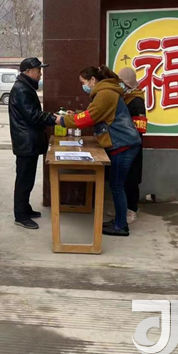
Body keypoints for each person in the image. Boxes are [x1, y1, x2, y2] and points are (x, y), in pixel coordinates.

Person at [56, 65, 141, 236]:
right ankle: (119, 221)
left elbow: (90, 117)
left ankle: (121, 226)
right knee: (117, 185)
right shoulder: (104, 92)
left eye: (83, 82)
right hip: (120, 144)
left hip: (122, 145)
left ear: (93, 80)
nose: (83, 86)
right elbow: (93, 112)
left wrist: (64, 121)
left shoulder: (106, 93)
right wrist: (75, 115)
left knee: (117, 186)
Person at [9, 57, 57, 229]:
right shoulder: (21, 89)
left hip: (29, 140)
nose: (40, 74)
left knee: (28, 178)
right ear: (27, 71)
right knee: (23, 179)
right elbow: (33, 115)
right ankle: (20, 215)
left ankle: (25, 208)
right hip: (25, 142)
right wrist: (55, 118)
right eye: (38, 70)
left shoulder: (26, 87)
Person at [118, 67, 147, 224]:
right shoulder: (124, 98)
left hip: (132, 146)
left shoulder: (137, 101)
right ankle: (123, 208)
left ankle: (132, 209)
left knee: (131, 179)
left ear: (128, 84)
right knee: (122, 179)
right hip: (122, 145)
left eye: (122, 83)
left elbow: (140, 128)